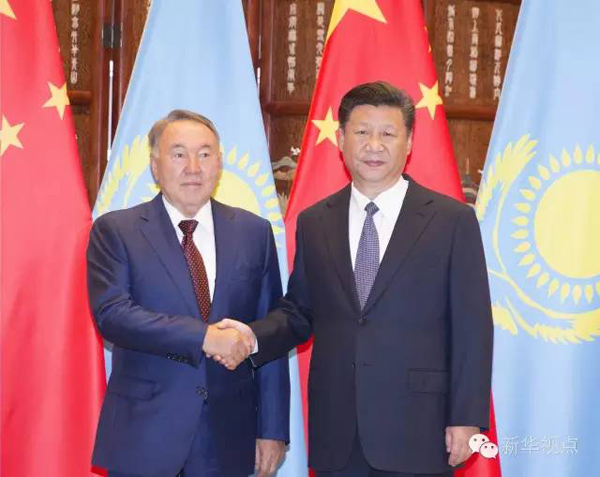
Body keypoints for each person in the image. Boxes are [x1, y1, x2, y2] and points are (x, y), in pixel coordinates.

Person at [216, 82, 494, 476]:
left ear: (409, 142)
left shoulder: (452, 221)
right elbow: (299, 313)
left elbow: (472, 325)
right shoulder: (315, 221)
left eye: (388, 134)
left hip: (420, 427)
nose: (374, 145)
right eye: (362, 132)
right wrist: (251, 336)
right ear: (341, 139)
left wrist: (465, 417)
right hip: (338, 429)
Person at [87, 109, 290, 477]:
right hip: (145, 434)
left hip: (228, 437)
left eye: (205, 154)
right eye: (179, 154)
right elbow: (113, 315)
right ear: (155, 166)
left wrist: (273, 430)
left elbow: (270, 332)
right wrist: (204, 337)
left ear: (219, 163)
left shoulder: (254, 233)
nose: (193, 167)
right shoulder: (116, 230)